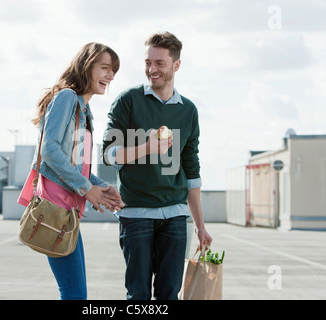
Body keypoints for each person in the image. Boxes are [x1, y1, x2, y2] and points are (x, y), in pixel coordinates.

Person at [102, 32, 212, 300]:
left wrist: (200, 225)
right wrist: (146, 148)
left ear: (176, 65)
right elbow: (109, 154)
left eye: (159, 63)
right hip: (136, 214)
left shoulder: (188, 110)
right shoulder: (129, 100)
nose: (152, 70)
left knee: (168, 295)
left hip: (175, 216)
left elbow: (191, 170)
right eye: (148, 62)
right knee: (138, 295)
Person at [18, 42, 124, 300]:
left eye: (113, 71)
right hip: (55, 212)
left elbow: (78, 167)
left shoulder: (84, 110)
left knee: (75, 293)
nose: (110, 76)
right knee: (74, 294)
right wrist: (88, 189)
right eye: (105, 68)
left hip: (68, 214)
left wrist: (101, 187)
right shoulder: (66, 98)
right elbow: (50, 149)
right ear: (87, 67)